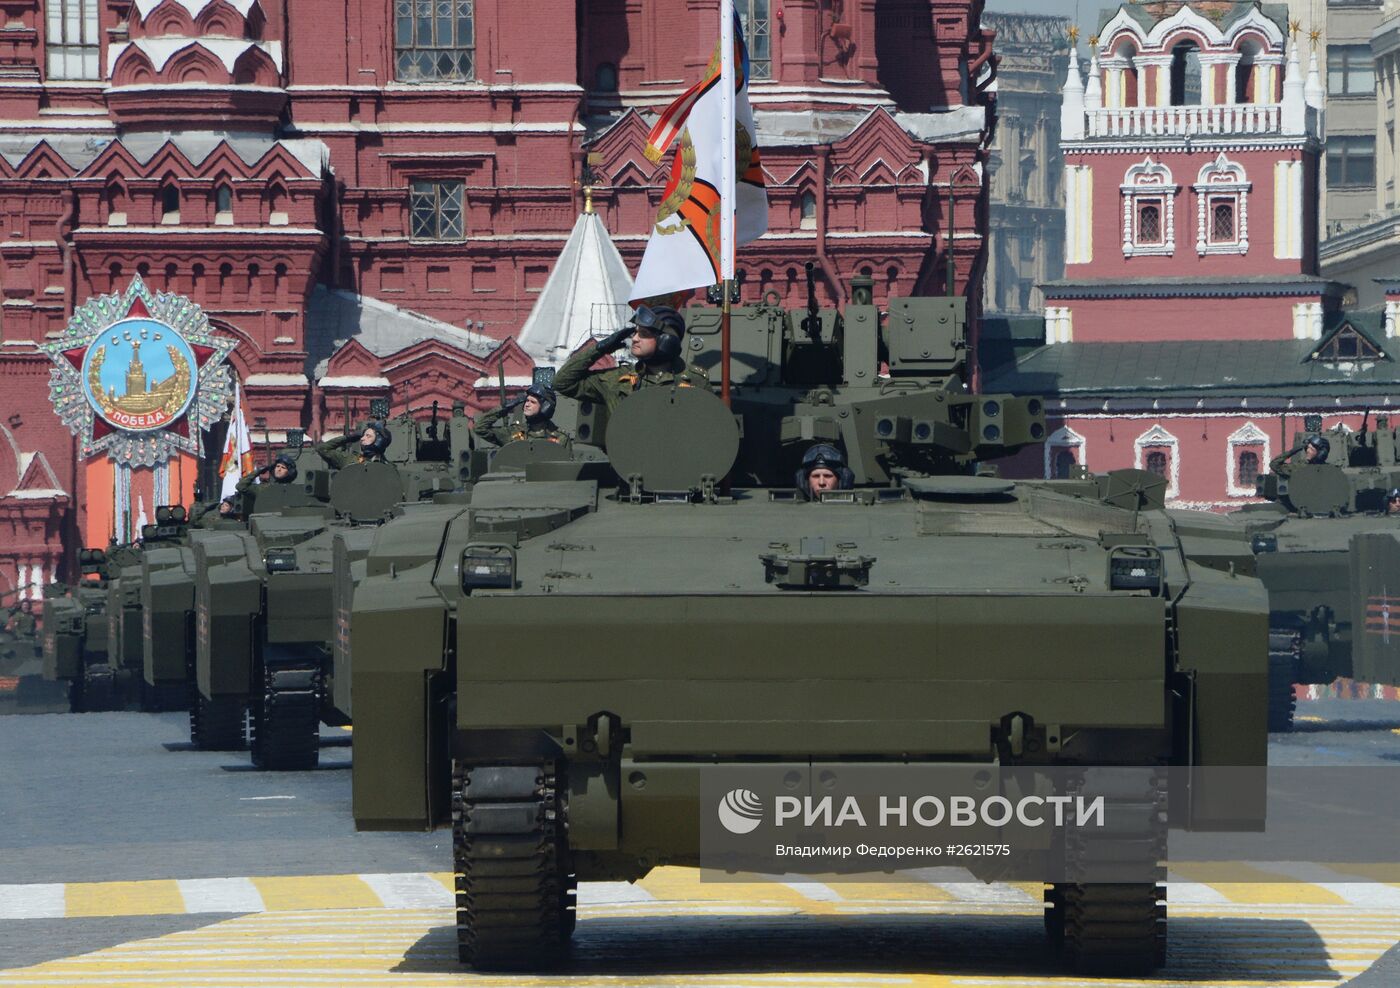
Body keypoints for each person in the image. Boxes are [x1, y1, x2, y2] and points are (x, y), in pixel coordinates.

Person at [552, 304, 709, 413]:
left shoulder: (694, 381)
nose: (634, 339)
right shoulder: (618, 380)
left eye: (644, 334)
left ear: (666, 342)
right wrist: (600, 349)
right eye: (635, 333)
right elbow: (562, 383)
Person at [473, 384, 565, 446]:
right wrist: (505, 407)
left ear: (545, 407)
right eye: (527, 401)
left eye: (532, 402)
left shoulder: (559, 438)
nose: (527, 405)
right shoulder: (514, 433)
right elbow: (479, 428)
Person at [316, 420, 392, 469]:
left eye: (368, 436)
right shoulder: (350, 460)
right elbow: (322, 448)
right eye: (363, 435)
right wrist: (348, 438)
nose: (362, 438)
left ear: (378, 441)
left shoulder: (388, 467)